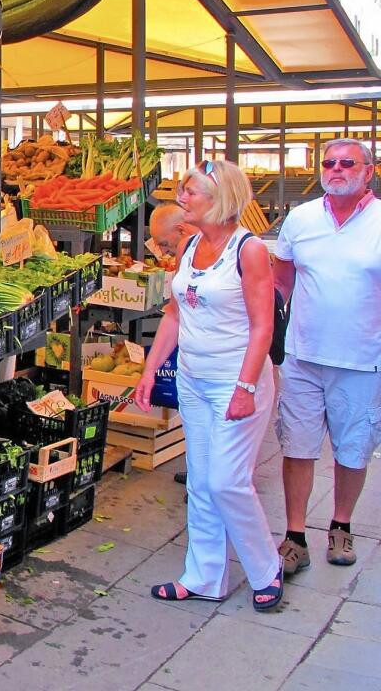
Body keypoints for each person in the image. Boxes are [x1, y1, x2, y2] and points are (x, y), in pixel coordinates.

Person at [135, 159, 283, 611]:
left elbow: (262, 328)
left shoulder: (249, 250)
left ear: (219, 200)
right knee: (200, 480)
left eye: (190, 191)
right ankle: (202, 577)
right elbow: (176, 313)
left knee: (226, 480)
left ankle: (266, 568)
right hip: (194, 380)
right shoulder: (191, 244)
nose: (181, 197)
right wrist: (150, 369)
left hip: (236, 382)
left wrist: (246, 387)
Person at [273, 139, 381, 575]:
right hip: (302, 357)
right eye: (329, 163)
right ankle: (295, 535)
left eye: (346, 163)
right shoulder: (301, 219)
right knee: (296, 446)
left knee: (352, 450)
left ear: (368, 172)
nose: (335, 169)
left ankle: (341, 525)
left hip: (362, 360)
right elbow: (282, 281)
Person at [149, 201, 197, 486]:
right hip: (193, 359)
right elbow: (174, 312)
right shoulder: (186, 256)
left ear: (181, 229)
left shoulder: (235, 250)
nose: (163, 251)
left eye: (165, 244)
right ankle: (199, 477)